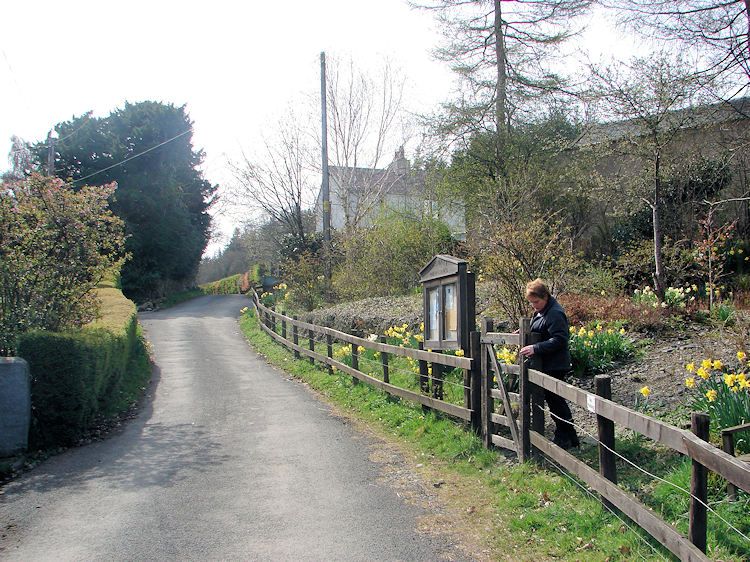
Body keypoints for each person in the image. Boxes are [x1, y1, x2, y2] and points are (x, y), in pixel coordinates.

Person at [519, 279, 580, 449]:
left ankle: (565, 435)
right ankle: (570, 436)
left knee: (556, 401)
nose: (534, 306)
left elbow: (560, 339)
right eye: (531, 303)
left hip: (555, 364)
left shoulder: (554, 313)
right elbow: (542, 329)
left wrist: (536, 347)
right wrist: (527, 333)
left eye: (536, 302)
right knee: (554, 401)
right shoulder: (542, 310)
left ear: (545, 296)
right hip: (546, 364)